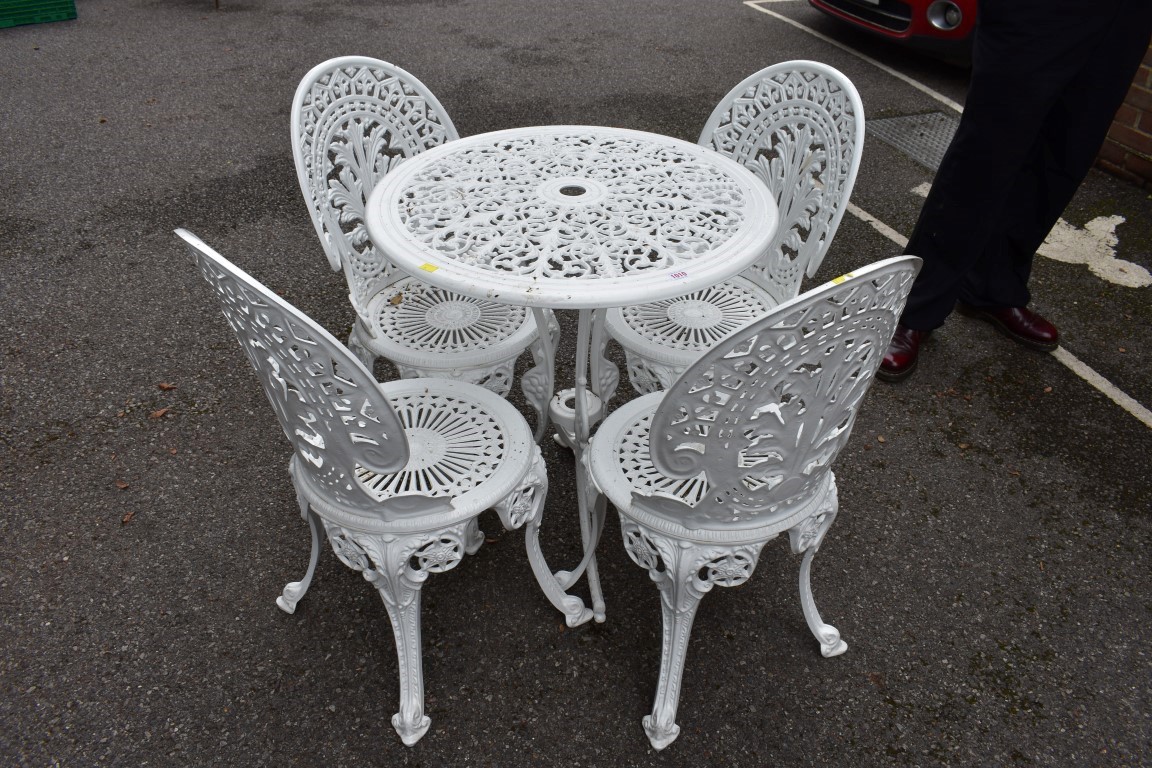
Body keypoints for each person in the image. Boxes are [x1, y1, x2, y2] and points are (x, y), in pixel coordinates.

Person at [878, 0, 1152, 382]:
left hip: (1124, 14)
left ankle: (994, 286)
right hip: (1039, 11)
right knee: (988, 153)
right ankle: (915, 307)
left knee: (1065, 154)